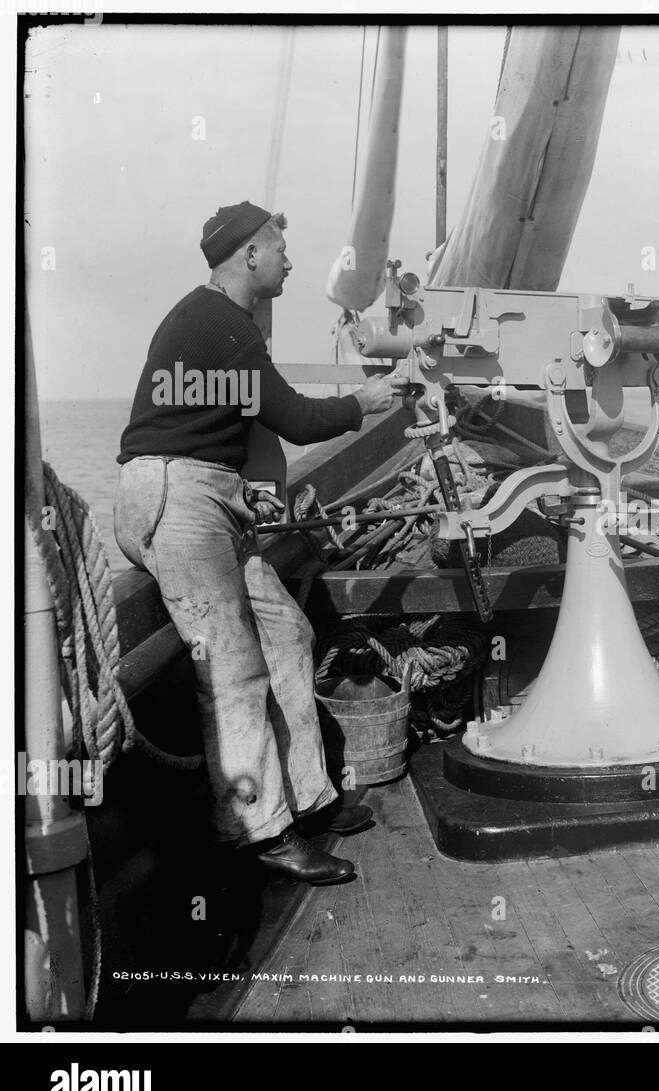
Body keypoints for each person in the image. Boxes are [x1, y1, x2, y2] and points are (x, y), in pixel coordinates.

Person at [115, 201, 408, 884]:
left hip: (206, 493)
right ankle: (258, 831)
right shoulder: (221, 324)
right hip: (176, 500)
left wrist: (243, 487)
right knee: (234, 670)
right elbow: (298, 420)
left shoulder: (218, 323)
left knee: (286, 633)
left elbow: (228, 425)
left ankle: (308, 798)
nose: (290, 259)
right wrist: (375, 398)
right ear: (249, 255)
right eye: (280, 247)